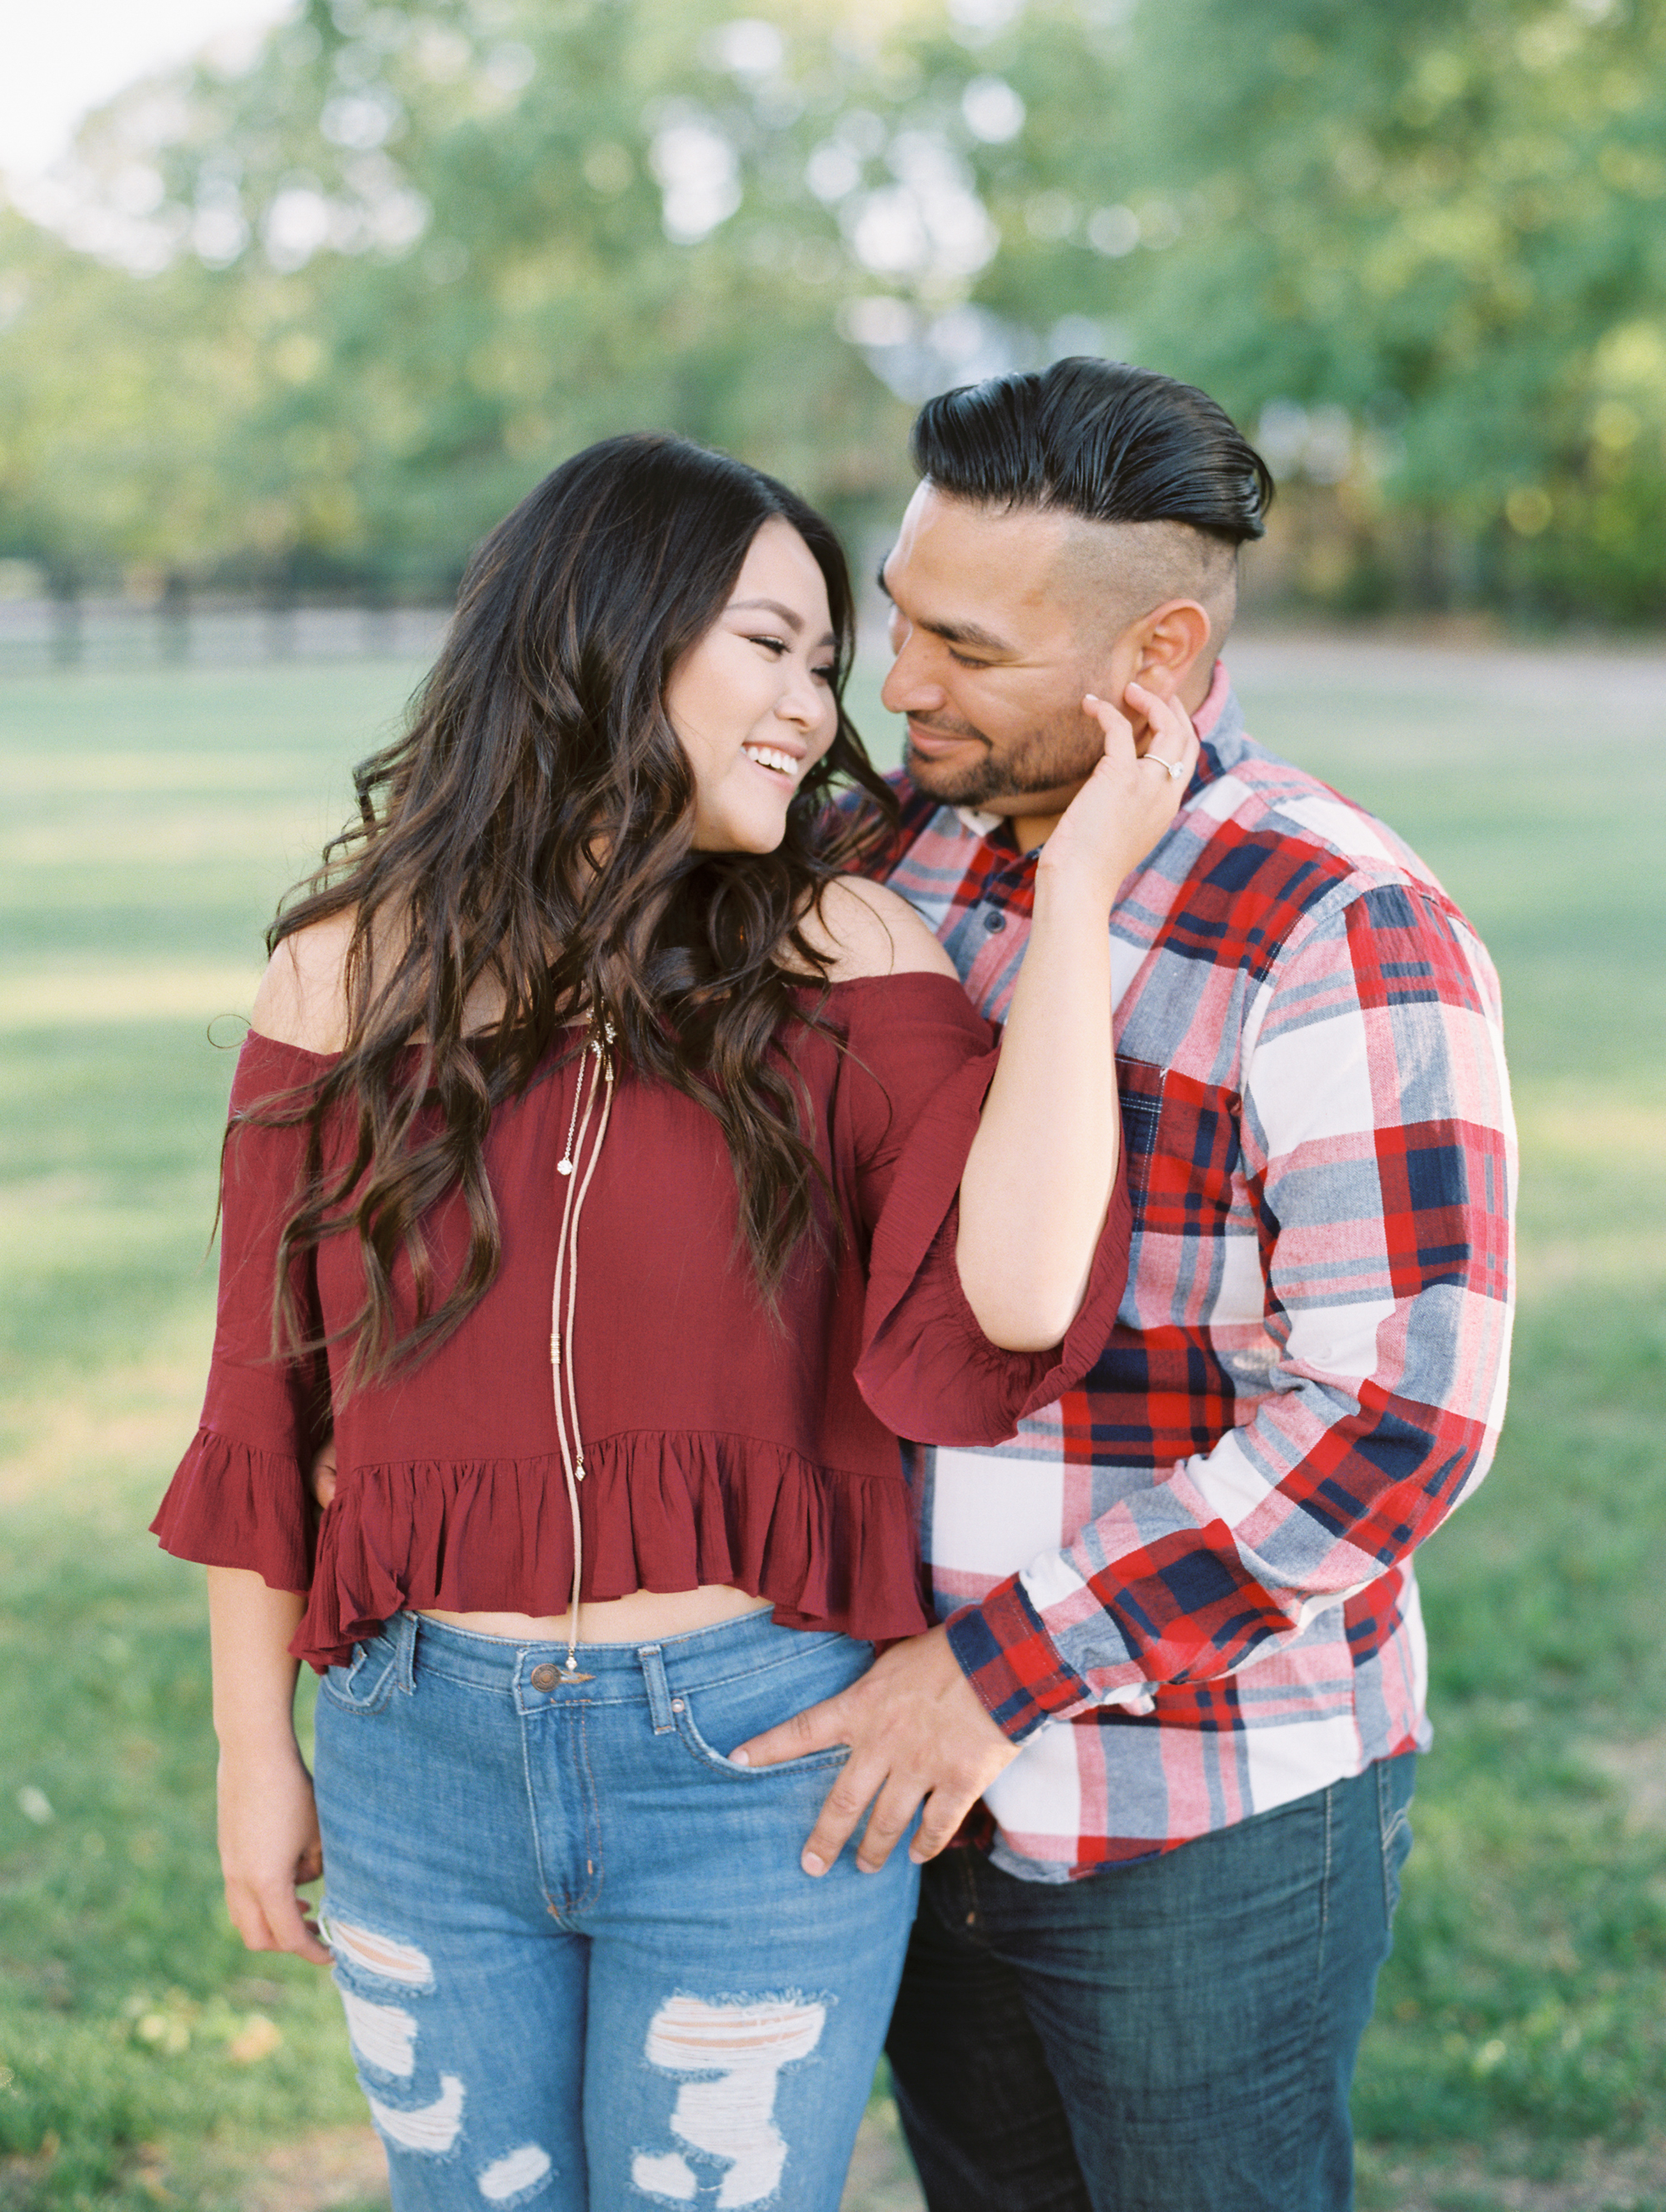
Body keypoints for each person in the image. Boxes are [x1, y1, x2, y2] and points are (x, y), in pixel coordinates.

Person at [150, 431, 1200, 2212]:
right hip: (417, 1750)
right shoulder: (341, 974)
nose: (819, 701)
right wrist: (260, 1756)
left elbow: (1015, 1296)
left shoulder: (849, 951)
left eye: (822, 659)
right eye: (770, 646)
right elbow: (267, 1410)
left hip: (749, 1767)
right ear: (611, 634)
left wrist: (1079, 890)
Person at [731, 361, 1517, 2211]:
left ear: (1156, 653)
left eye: (966, 649)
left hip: (1198, 1813)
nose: (898, 684)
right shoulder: (875, 850)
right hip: (892, 1784)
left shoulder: (1340, 925)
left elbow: (1394, 1424)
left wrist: (995, 1673)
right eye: (896, 620)